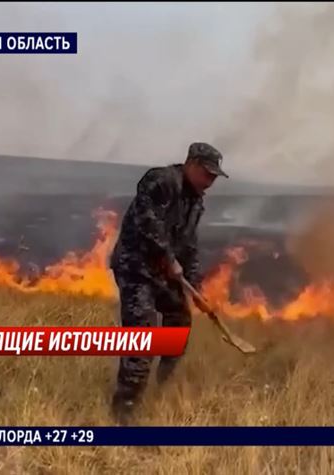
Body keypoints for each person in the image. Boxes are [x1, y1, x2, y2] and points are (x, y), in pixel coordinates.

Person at [108, 142, 228, 423]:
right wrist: (166, 255)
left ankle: (162, 386)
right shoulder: (160, 181)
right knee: (143, 335)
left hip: (163, 274)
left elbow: (189, 245)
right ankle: (124, 409)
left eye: (214, 177)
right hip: (136, 269)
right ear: (192, 164)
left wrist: (195, 284)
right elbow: (147, 221)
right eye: (207, 174)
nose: (210, 182)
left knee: (179, 321)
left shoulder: (195, 201)